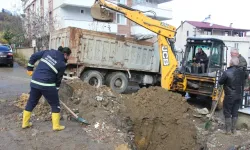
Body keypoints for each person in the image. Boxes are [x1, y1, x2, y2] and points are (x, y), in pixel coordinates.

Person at [22, 46, 71, 131]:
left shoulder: (48, 52)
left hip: (35, 82)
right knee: (55, 104)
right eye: (68, 56)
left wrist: (30, 68)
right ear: (65, 54)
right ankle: (56, 126)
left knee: (31, 102)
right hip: (47, 85)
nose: (68, 58)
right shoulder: (62, 64)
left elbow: (33, 56)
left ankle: (25, 123)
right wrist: (56, 90)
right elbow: (58, 80)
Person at [218, 57, 247, 134]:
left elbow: (220, 82)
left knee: (227, 111)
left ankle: (228, 130)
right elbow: (246, 77)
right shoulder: (242, 72)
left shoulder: (227, 72)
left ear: (231, 63)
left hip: (229, 96)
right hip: (239, 95)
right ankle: (233, 130)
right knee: (235, 112)